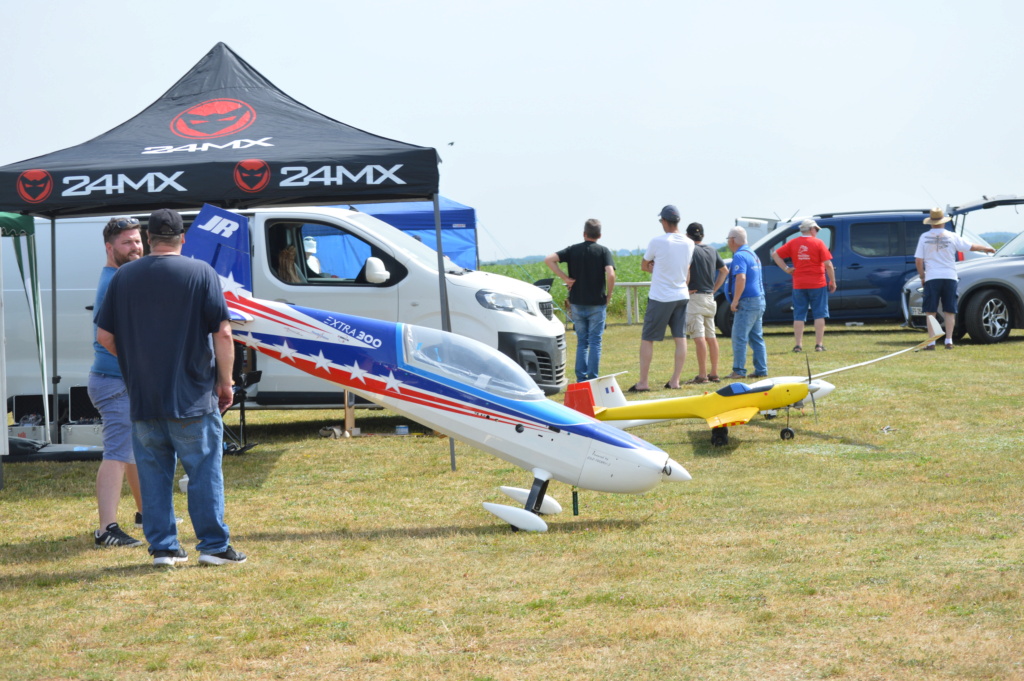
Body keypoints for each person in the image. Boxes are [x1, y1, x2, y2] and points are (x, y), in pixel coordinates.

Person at [96, 208, 246, 567]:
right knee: (204, 471)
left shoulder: (124, 276)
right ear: (183, 238)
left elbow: (105, 337)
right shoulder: (200, 272)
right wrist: (226, 383)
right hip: (193, 393)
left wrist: (135, 368)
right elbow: (223, 333)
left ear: (148, 239)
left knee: (153, 475)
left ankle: (163, 548)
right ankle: (213, 546)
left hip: (144, 396)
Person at [89, 217, 145, 548]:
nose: (135, 247)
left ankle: (146, 513)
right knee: (116, 454)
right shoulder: (115, 281)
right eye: (127, 243)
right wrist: (135, 365)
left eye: (137, 240)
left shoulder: (122, 276)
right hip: (114, 381)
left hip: (117, 379)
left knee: (133, 449)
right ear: (110, 248)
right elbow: (105, 337)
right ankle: (106, 529)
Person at [630, 205, 695, 392]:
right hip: (681, 294)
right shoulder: (689, 243)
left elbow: (644, 265)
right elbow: (686, 269)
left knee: (647, 338)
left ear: (664, 221)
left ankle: (643, 382)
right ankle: (675, 380)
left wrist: (654, 267)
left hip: (661, 296)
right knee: (680, 337)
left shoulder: (657, 241)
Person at [544, 218, 616, 382]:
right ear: (600, 235)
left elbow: (549, 259)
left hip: (577, 301)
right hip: (597, 302)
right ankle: (592, 377)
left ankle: (581, 378)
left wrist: (566, 278)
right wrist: (609, 295)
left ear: (584, 233)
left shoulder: (572, 250)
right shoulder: (603, 251)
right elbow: (611, 274)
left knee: (582, 341)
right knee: (595, 341)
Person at [914, 208, 995, 349]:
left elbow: (919, 260)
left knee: (930, 310)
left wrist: (922, 276)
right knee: (949, 310)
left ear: (931, 222)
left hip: (932, 277)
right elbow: (971, 246)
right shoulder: (952, 236)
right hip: (950, 276)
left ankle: (932, 341)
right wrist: (986, 248)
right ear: (943, 222)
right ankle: (949, 340)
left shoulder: (924, 237)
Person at [770, 219, 837, 352]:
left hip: (799, 284)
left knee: (799, 314)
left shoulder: (793, 242)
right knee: (819, 314)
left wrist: (786, 269)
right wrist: (832, 282)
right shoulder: (818, 243)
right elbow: (828, 264)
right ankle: (819, 345)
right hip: (817, 283)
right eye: (816, 230)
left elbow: (775, 254)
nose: (817, 232)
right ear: (812, 229)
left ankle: (798, 345)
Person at [683, 222, 728, 384]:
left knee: (698, 337)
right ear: (702, 235)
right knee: (711, 336)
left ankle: (702, 375)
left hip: (695, 297)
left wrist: (684, 288)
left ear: (687, 236)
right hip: (710, 298)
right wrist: (714, 289)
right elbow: (724, 271)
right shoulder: (712, 250)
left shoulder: (690, 250)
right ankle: (714, 372)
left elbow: (687, 270)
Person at [724, 226, 768, 379]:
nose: (728, 243)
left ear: (733, 240)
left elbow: (741, 278)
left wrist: (735, 300)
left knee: (739, 337)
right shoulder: (753, 254)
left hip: (747, 301)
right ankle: (761, 369)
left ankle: (739, 370)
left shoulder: (740, 256)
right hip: (759, 299)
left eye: (728, 239)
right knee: (756, 337)